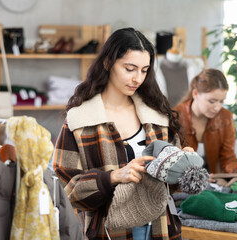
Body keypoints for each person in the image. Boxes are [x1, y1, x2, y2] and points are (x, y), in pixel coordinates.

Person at [53, 28, 188, 240]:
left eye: (144, 70)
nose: (138, 78)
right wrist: (113, 177)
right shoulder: (80, 121)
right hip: (108, 232)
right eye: (130, 69)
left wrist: (182, 165)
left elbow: (171, 186)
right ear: (108, 63)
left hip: (161, 229)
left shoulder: (157, 117)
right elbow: (66, 191)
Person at [174, 68, 237, 184]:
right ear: (195, 94)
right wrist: (199, 177)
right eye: (212, 101)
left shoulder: (225, 117)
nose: (217, 107)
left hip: (215, 181)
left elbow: (228, 157)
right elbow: (172, 163)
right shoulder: (174, 117)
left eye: (222, 101)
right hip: (183, 184)